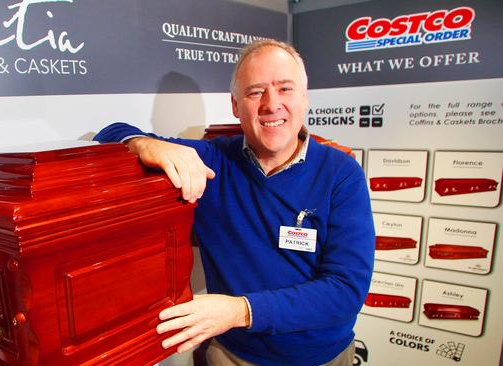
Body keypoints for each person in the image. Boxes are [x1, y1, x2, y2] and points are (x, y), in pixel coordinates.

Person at [94, 39, 375, 366]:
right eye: (256, 92)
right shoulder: (213, 160)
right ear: (235, 105)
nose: (272, 104)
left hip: (321, 357)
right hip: (233, 355)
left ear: (304, 97)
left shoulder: (341, 174)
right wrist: (145, 144)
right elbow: (110, 132)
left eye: (285, 89)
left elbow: (345, 292)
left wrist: (241, 311)